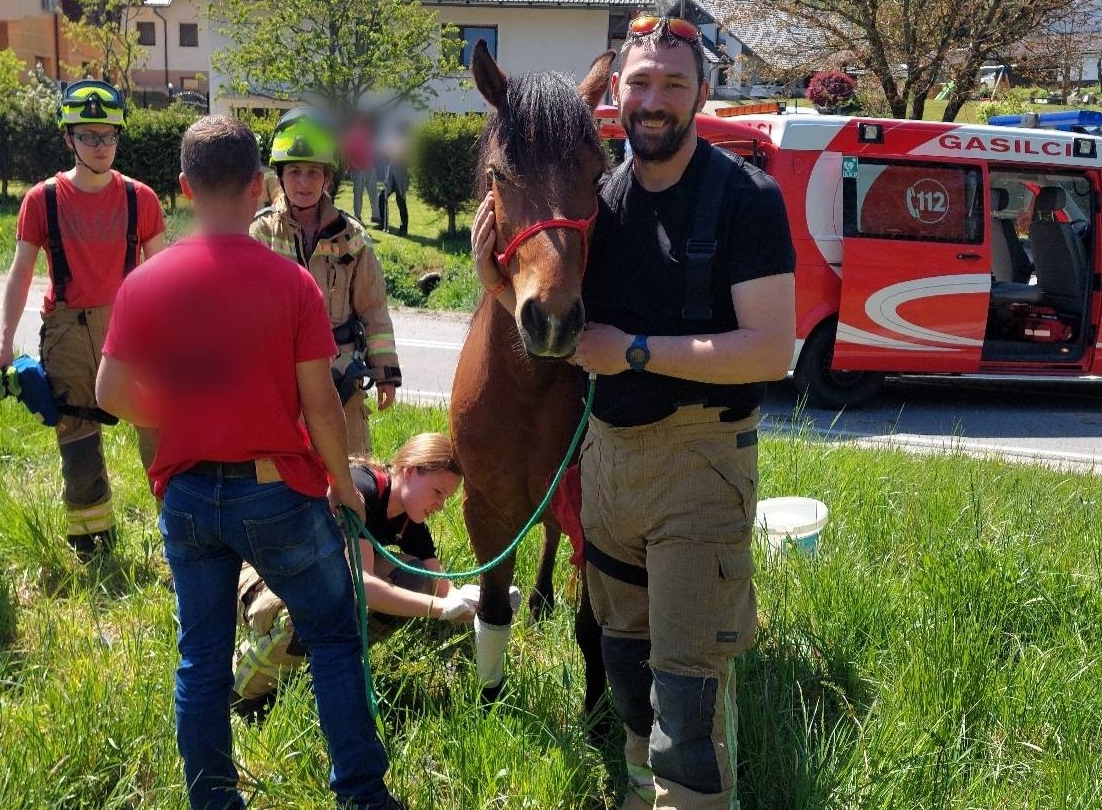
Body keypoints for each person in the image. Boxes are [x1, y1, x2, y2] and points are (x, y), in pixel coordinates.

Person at [473, 16, 796, 810]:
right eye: (641, 83)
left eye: (674, 85)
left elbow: (771, 352)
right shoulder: (598, 200)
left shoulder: (745, 199)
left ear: (702, 94)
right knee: (624, 672)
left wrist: (638, 352)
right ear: (616, 93)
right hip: (611, 462)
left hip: (698, 463)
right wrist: (494, 281)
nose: (654, 102)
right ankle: (635, 793)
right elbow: (553, 308)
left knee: (685, 697)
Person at [95, 115, 404, 810]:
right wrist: (342, 486)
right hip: (279, 497)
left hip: (188, 501)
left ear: (182, 188)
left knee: (201, 660)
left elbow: (109, 391)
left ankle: (212, 801)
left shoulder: (147, 282)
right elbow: (322, 406)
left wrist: (186, 419)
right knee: (332, 635)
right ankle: (361, 794)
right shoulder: (291, 284)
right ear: (260, 185)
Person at [0, 79, 166, 561]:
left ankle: (182, 538)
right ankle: (94, 547)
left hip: (134, 331)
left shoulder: (141, 198)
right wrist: (2, 344)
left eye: (108, 136)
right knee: (78, 440)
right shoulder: (41, 200)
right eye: (88, 136)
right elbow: (21, 272)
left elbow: (164, 276)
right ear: (69, 138)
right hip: (67, 331)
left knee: (160, 431)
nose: (101, 146)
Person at [231, 432, 514, 721]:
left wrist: (485, 605)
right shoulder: (361, 489)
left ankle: (329, 663)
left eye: (447, 498)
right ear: (409, 470)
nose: (440, 506)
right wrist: (440, 610)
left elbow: (441, 588)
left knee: (414, 581)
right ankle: (241, 685)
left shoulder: (408, 518)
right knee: (317, 611)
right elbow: (363, 585)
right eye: (438, 492)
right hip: (267, 576)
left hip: (311, 578)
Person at [251, 107, 401, 456]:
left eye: (313, 172)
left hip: (341, 379)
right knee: (285, 475)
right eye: (295, 172)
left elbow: (374, 310)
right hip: (279, 379)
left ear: (327, 178)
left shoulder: (352, 237)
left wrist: (386, 374)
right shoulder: (259, 234)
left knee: (349, 475)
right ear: (280, 176)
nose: (304, 183)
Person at [342, 113, 379, 225]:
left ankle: (375, 216)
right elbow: (346, 152)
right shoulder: (352, 135)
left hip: (369, 168)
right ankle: (359, 216)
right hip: (358, 169)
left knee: (370, 193)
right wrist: (350, 165)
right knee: (359, 194)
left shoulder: (369, 135)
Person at [376, 121, 410, 236]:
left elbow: (397, 157)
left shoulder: (406, 144)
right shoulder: (397, 141)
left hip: (400, 179)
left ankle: (403, 228)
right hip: (391, 178)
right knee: (381, 197)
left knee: (401, 203)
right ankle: (383, 223)